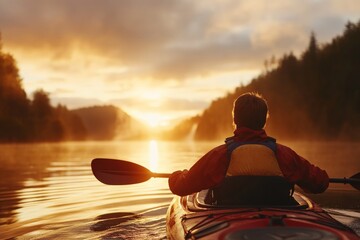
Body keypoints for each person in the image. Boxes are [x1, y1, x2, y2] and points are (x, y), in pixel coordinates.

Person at [168, 92, 329, 197]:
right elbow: (320, 183)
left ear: (235, 120)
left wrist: (177, 175)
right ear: (264, 121)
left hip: (229, 226)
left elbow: (181, 187)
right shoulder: (285, 155)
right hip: (278, 225)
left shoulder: (220, 156)